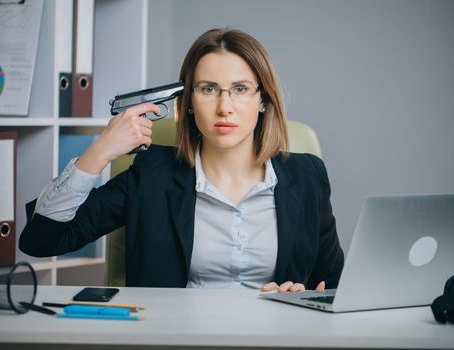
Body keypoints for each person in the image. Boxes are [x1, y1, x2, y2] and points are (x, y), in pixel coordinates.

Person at [19, 28, 344, 292]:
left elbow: (331, 285)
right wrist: (100, 151)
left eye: (241, 89)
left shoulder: (307, 176)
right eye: (208, 89)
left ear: (263, 100)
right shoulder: (151, 176)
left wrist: (301, 298)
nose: (225, 106)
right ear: (188, 102)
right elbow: (41, 240)